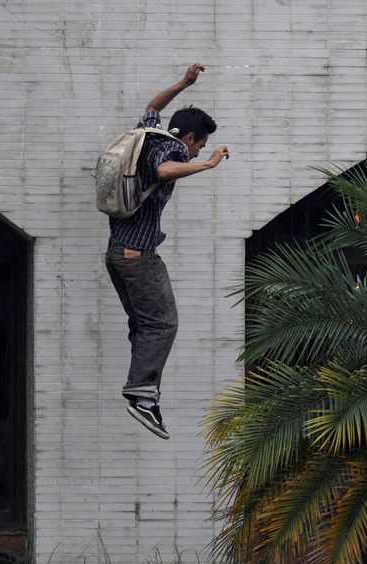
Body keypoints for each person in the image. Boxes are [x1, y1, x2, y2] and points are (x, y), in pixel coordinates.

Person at [104, 64, 230, 439]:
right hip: (139, 255)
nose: (196, 153)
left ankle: (141, 387)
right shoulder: (171, 148)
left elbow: (151, 105)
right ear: (190, 137)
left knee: (145, 325)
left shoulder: (149, 132)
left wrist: (184, 83)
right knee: (163, 324)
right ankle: (143, 397)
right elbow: (163, 171)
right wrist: (207, 165)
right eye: (200, 145)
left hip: (116, 254)